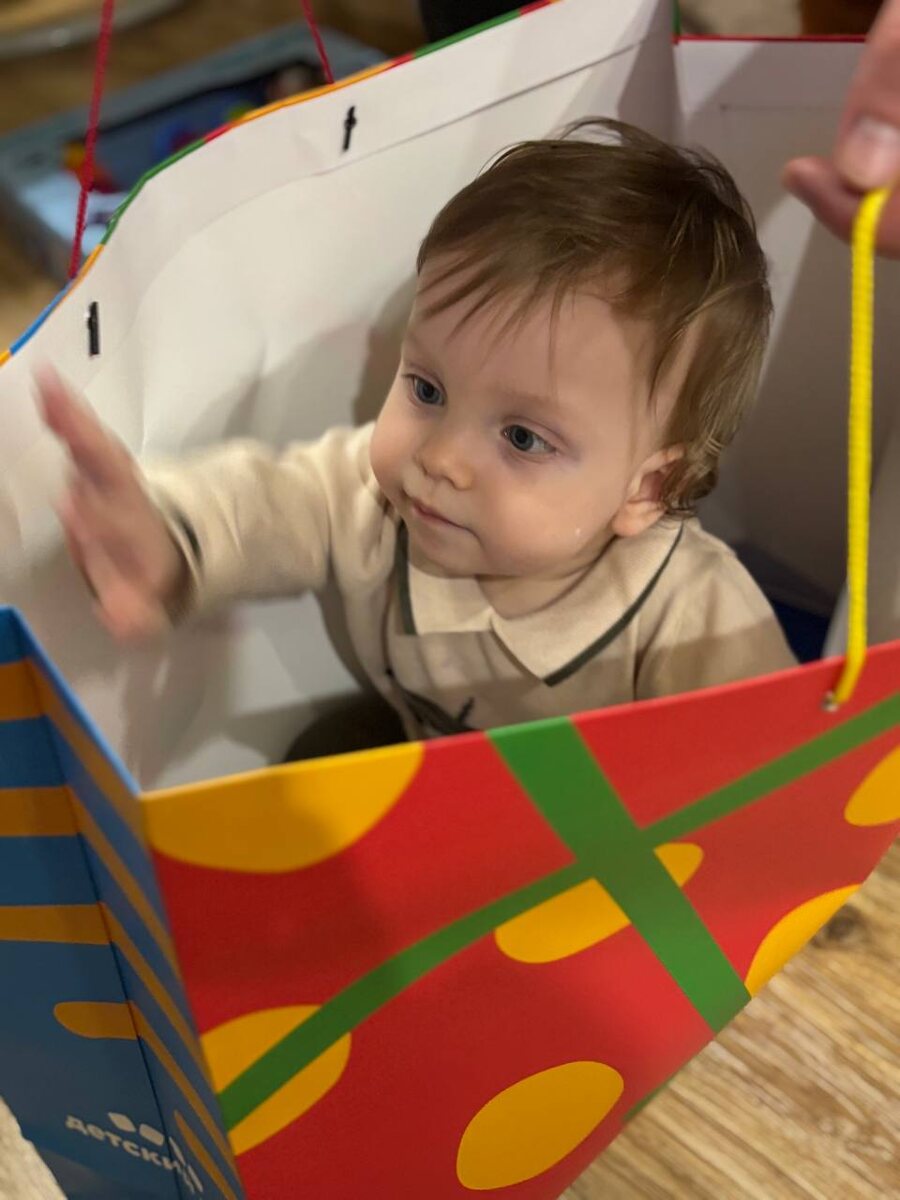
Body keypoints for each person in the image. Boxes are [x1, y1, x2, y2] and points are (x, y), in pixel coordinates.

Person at [38, 119, 795, 745]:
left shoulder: (697, 621)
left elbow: (777, 779)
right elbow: (273, 500)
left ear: (648, 488)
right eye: (427, 390)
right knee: (321, 754)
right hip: (427, 786)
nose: (441, 458)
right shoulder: (388, 503)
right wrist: (166, 536)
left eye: (523, 438)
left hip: (600, 850)